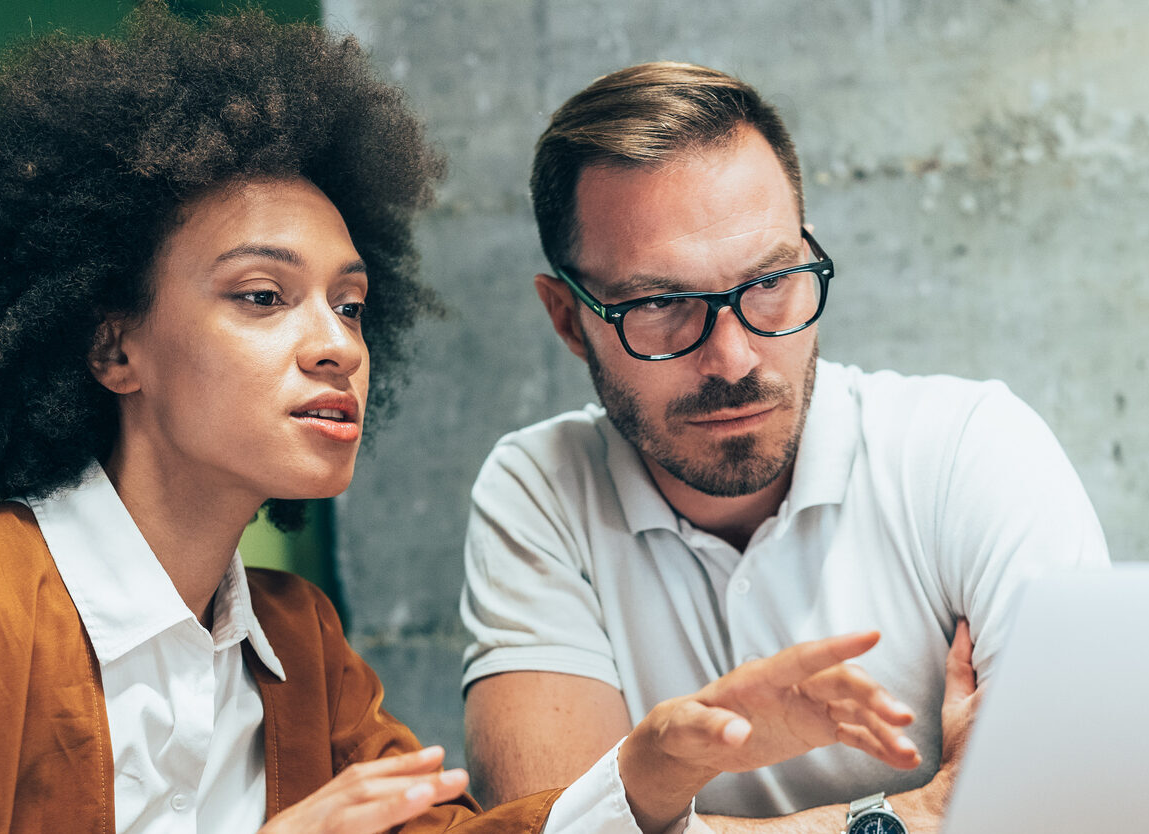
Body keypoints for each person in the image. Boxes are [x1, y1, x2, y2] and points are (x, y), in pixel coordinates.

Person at [0, 13, 923, 834]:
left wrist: (657, 766)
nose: (337, 341)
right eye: (261, 297)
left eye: (348, 300)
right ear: (109, 340)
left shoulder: (296, 646)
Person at [460, 62, 1113, 832]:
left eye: (770, 282)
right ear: (569, 320)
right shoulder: (540, 490)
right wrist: (907, 818)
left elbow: (1080, 808)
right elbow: (548, 831)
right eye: (662, 304)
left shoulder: (968, 449)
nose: (733, 359)